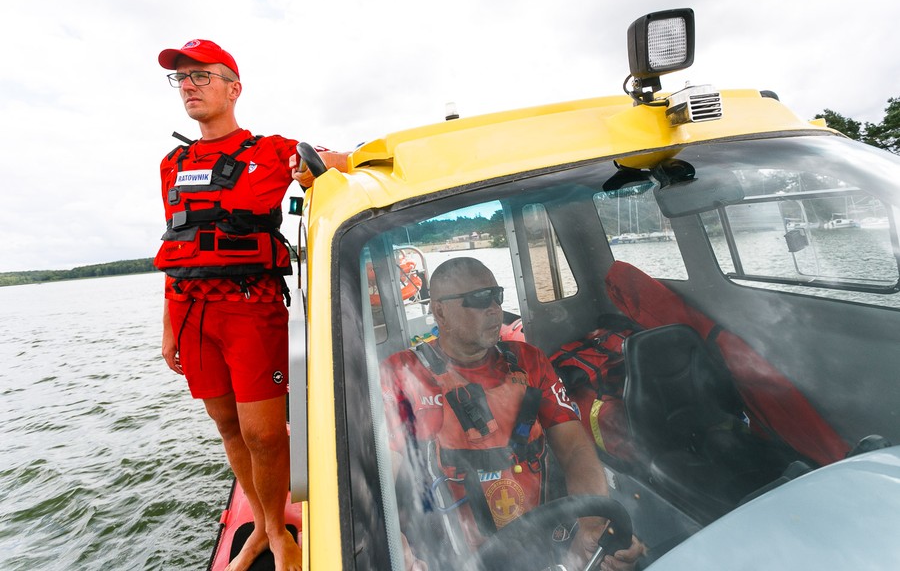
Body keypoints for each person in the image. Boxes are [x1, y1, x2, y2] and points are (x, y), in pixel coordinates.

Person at [155, 38, 345, 571]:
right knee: (227, 425)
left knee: (264, 432)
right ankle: (265, 528)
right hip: (190, 310)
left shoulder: (270, 150)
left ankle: (283, 534)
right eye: (181, 78)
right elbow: (175, 242)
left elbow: (335, 162)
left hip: (250, 305)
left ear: (233, 88)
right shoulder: (172, 163)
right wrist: (168, 326)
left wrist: (319, 171)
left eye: (201, 76)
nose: (188, 86)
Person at [381, 257, 644, 571]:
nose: (494, 308)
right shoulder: (404, 374)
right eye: (479, 300)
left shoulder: (529, 361)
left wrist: (591, 523)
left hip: (543, 537)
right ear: (440, 312)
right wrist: (400, 549)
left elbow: (575, 449)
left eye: (497, 295)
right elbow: (380, 478)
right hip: (454, 556)